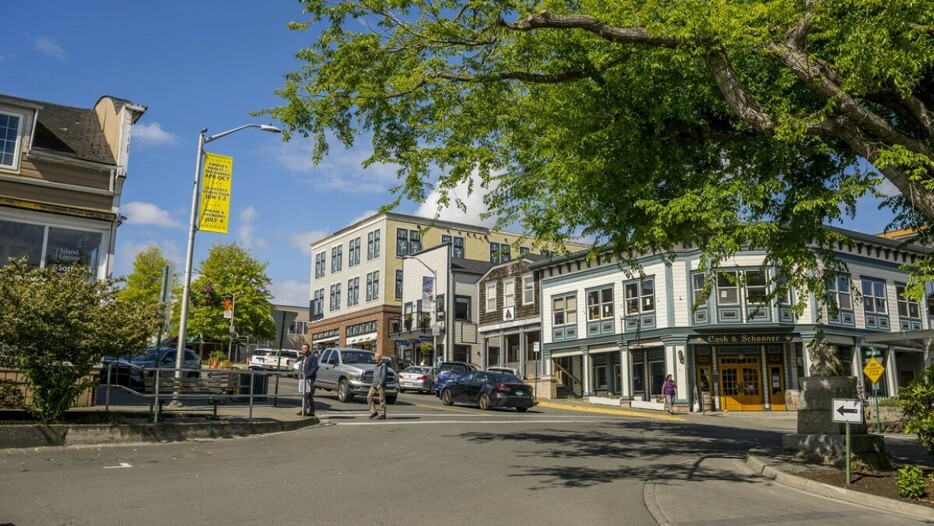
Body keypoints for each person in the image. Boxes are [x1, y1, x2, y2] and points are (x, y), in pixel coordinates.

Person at [298, 343, 320, 422]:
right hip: (303, 378)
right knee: (303, 394)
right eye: (302, 348)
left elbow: (315, 367)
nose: (303, 349)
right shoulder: (303, 356)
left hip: (309, 379)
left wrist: (309, 375)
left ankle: (310, 411)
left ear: (308, 349)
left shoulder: (312, 357)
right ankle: (305, 409)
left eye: (305, 348)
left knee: (308, 394)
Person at [368, 351, 388, 420]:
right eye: (375, 357)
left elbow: (384, 376)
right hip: (374, 384)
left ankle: (383, 414)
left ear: (380, 357)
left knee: (381, 399)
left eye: (376, 357)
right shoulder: (375, 365)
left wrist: (380, 384)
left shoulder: (383, 365)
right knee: (369, 397)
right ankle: (374, 411)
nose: (374, 358)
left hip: (380, 385)